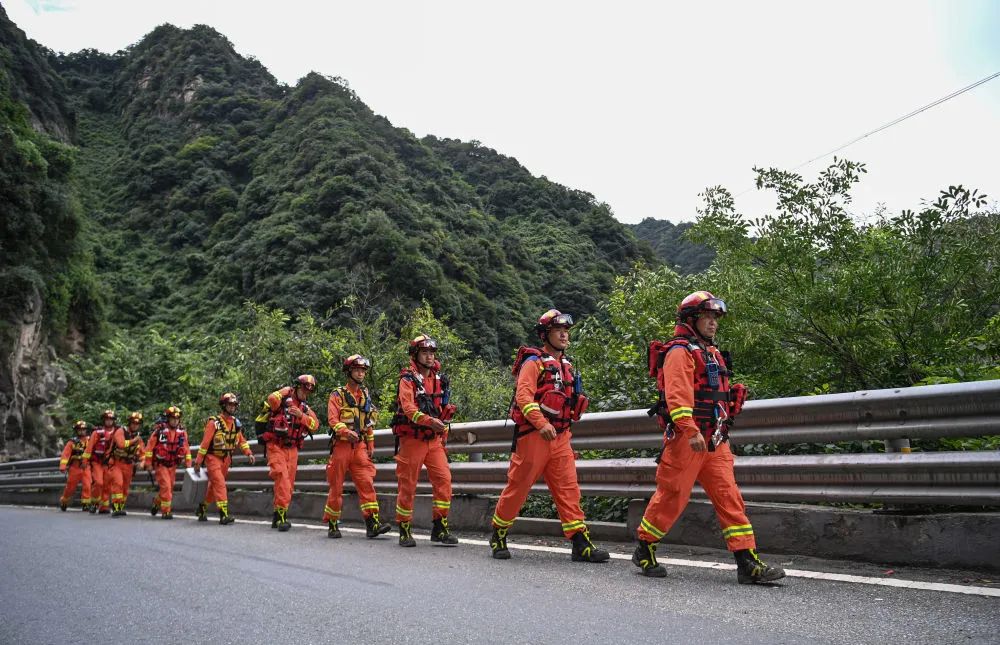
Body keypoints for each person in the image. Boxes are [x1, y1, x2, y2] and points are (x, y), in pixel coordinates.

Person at [633, 291, 785, 584]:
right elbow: (677, 396)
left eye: (716, 317)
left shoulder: (711, 352)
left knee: (730, 496)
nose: (714, 323)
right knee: (672, 496)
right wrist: (689, 431)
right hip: (687, 439)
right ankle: (645, 547)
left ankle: (747, 562)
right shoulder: (679, 352)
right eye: (708, 317)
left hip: (715, 438)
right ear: (691, 319)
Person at [488, 310, 609, 563]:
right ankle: (499, 534)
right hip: (533, 437)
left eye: (566, 330)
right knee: (518, 488)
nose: (564, 334)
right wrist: (541, 423)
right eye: (558, 330)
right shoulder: (533, 363)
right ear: (546, 335)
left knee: (569, 489)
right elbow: (524, 397)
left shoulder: (567, 365)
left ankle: (580, 542)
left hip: (561, 436)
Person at [390, 335, 458, 547]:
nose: (429, 357)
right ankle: (404, 528)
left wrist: (441, 431)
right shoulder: (408, 380)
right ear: (415, 355)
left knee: (444, 480)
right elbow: (409, 409)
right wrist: (430, 421)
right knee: (408, 485)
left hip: (434, 440)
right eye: (424, 353)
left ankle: (439, 526)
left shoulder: (439, 379)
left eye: (432, 353)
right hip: (412, 440)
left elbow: (443, 409)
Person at [323, 355, 391, 539]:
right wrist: (345, 432)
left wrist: (370, 442)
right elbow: (332, 420)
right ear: (349, 372)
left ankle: (372, 524)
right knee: (336, 486)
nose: (361, 373)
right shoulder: (337, 395)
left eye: (363, 370)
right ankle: (332, 523)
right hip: (342, 447)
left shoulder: (365, 394)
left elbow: (368, 422)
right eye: (357, 370)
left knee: (366, 482)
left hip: (359, 446)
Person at [258, 375, 320, 531]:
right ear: (298, 387)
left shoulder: (305, 408)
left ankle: (277, 515)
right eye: (305, 389)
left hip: (292, 449)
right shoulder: (283, 400)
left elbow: (315, 425)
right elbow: (271, 399)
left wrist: (302, 417)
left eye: (309, 391)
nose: (306, 393)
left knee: (288, 485)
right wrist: (283, 391)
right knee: (282, 479)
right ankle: (281, 518)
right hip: (276, 446)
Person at [194, 393, 255, 525]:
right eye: (229, 404)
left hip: (226, 459)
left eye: (234, 405)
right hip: (213, 458)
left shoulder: (235, 423)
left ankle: (202, 507)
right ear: (223, 405)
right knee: (220, 484)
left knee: (213, 487)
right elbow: (205, 444)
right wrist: (198, 461)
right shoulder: (213, 423)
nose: (232, 407)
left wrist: (248, 453)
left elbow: (241, 441)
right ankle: (224, 514)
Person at [144, 406, 192, 519]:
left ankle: (156, 502)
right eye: (172, 418)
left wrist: (189, 464)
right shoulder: (159, 431)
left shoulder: (182, 433)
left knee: (169, 488)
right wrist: (148, 463)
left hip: (173, 465)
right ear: (168, 419)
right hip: (161, 465)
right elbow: (149, 448)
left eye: (177, 418)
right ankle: (166, 511)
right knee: (166, 487)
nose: (175, 420)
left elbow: (186, 449)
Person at [107, 411, 145, 516]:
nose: (135, 425)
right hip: (117, 463)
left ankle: (120, 507)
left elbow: (143, 453)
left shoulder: (138, 438)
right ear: (129, 422)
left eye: (137, 423)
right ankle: (115, 507)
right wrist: (134, 440)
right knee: (118, 484)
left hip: (129, 465)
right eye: (133, 422)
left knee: (125, 488)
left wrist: (142, 462)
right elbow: (121, 444)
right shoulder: (120, 431)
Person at [82, 410, 119, 514]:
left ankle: (104, 507)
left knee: (107, 485)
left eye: (111, 419)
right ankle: (94, 503)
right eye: (107, 419)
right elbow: (89, 448)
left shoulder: (118, 432)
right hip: (97, 462)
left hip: (109, 463)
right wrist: (84, 460)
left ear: (113, 421)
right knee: (98, 482)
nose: (108, 421)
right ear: (104, 420)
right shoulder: (97, 433)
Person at [58, 421, 92, 511]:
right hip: (75, 467)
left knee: (87, 485)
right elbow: (65, 454)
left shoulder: (90, 441)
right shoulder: (72, 442)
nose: (81, 431)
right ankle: (64, 501)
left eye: (83, 430)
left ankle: (86, 504)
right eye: (79, 430)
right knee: (70, 487)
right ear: (76, 431)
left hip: (86, 466)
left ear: (86, 430)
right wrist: (63, 466)